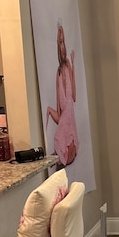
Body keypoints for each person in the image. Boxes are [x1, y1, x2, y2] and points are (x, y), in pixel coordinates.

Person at [45, 22, 79, 167]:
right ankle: (60, 156)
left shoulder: (68, 66)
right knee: (60, 134)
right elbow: (58, 96)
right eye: (60, 43)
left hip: (69, 106)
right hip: (64, 108)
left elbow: (74, 94)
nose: (63, 47)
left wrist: (73, 63)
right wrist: (59, 112)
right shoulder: (58, 71)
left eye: (63, 42)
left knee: (61, 135)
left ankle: (62, 157)